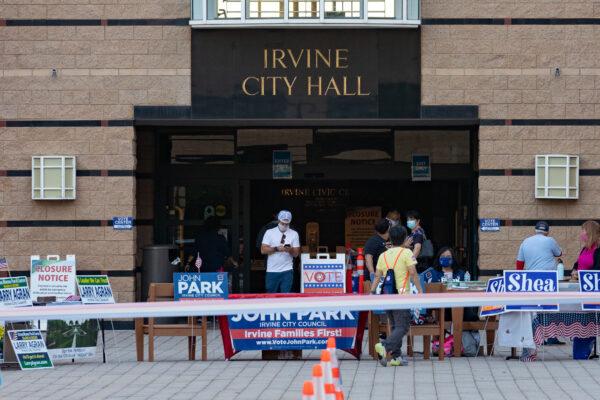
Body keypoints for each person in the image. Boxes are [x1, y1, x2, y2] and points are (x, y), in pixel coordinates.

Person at [371, 226, 422, 367]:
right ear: (405, 238)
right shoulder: (407, 253)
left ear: (390, 238)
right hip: (402, 295)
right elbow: (413, 272)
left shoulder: (383, 255)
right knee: (403, 326)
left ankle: (396, 358)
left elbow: (377, 275)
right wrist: (420, 291)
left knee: (394, 326)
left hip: (387, 295)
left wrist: (372, 291)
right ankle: (385, 346)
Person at [514, 221, 564, 353]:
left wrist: (520, 279)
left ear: (535, 230)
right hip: (548, 279)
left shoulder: (525, 241)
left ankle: (533, 335)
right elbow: (559, 254)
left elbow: (519, 263)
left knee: (534, 308)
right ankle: (551, 337)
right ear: (547, 231)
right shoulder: (550, 240)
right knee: (550, 307)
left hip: (532, 280)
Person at [260, 210, 300, 293]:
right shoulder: (269, 232)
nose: (284, 225)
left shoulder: (294, 234)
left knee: (286, 296)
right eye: (282, 223)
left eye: (287, 224)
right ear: (278, 221)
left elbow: (296, 254)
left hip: (287, 270)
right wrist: (276, 249)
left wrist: (290, 250)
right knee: (270, 296)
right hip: (272, 270)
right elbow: (263, 250)